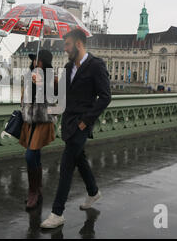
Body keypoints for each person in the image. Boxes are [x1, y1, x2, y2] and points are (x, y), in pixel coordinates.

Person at [40, 29, 111, 229]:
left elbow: (105, 96)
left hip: (81, 123)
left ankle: (57, 213)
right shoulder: (68, 66)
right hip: (69, 122)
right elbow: (60, 93)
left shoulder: (96, 66)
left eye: (68, 44)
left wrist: (86, 121)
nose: (65, 49)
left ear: (79, 44)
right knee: (80, 159)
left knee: (67, 165)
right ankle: (93, 192)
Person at [19, 49, 58, 210]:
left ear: (44, 62)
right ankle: (38, 190)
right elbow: (23, 99)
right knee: (35, 157)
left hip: (42, 121)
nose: (35, 62)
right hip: (29, 121)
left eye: (37, 60)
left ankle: (32, 191)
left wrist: (41, 85)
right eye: (34, 60)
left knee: (30, 156)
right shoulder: (29, 77)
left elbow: (57, 100)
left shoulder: (53, 80)